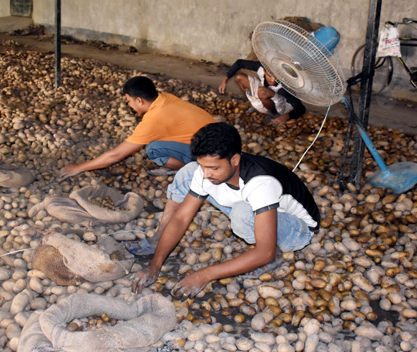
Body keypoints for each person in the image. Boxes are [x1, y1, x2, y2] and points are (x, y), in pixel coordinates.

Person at [132, 122, 320, 298]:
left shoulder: (261, 183)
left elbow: (265, 252)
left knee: (242, 215)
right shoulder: (208, 172)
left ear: (235, 159)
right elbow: (181, 218)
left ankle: (278, 255)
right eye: (203, 166)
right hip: (259, 207)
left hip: (297, 229)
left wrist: (204, 275)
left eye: (213, 168)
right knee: (189, 173)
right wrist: (154, 266)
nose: (206, 174)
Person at [60, 76, 216, 179]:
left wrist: (78, 167)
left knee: (153, 149)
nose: (129, 105)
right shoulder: (165, 98)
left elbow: (116, 155)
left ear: (140, 101)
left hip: (213, 155)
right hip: (221, 140)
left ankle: (194, 170)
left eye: (129, 101)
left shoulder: (153, 120)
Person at [218, 59, 306, 127]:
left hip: (280, 105)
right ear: (264, 71)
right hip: (265, 94)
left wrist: (286, 116)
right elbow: (240, 63)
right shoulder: (261, 67)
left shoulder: (284, 88)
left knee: (262, 92)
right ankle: (256, 104)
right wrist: (224, 81)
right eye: (270, 76)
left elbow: (301, 109)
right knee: (239, 77)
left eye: (276, 77)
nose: (272, 80)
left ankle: (273, 114)